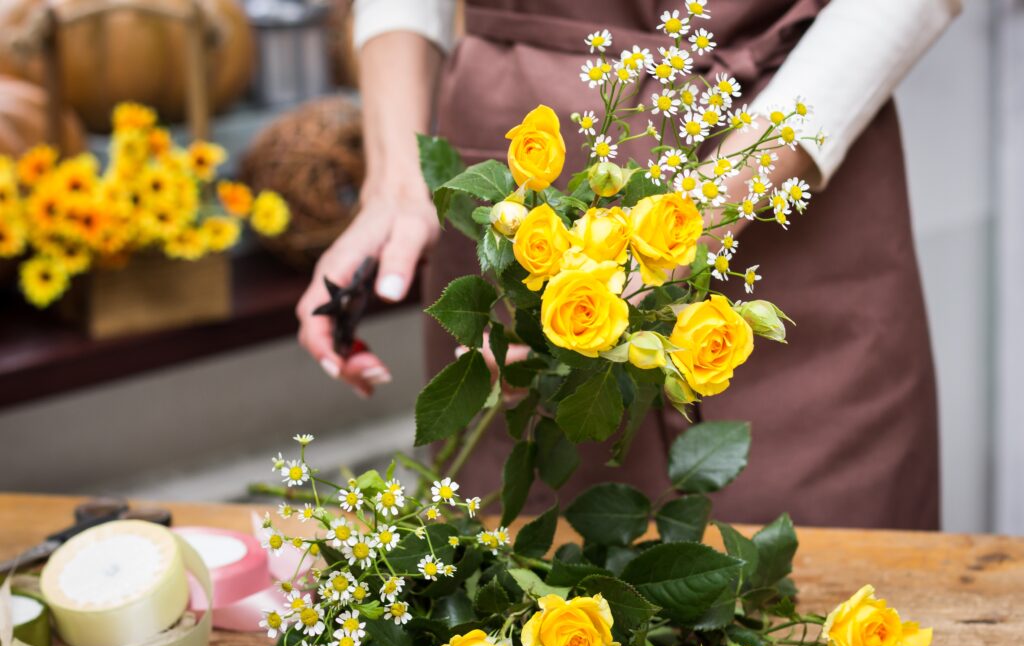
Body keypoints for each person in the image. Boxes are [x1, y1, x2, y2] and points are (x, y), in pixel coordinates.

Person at [296, 0, 961, 529]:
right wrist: (394, 182)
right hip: (530, 187)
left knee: (823, 612)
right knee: (533, 597)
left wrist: (691, 223)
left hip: (795, 175)